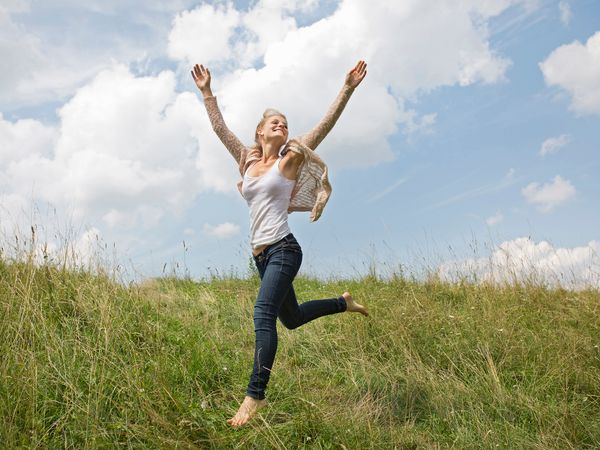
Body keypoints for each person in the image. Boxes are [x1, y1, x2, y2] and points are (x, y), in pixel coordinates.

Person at [191, 60, 369, 428]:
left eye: (285, 123)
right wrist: (207, 92)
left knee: (262, 315)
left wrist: (347, 88)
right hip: (260, 256)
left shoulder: (290, 158)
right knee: (292, 318)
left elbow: (324, 125)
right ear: (259, 132)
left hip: (284, 249)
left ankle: (254, 398)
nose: (281, 126)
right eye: (274, 122)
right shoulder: (248, 160)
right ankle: (343, 302)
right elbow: (220, 129)